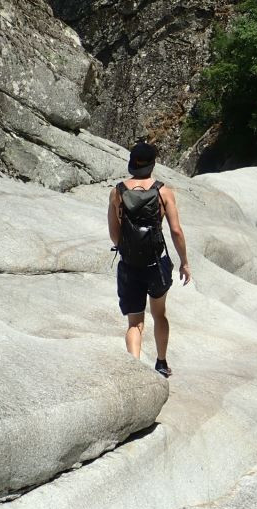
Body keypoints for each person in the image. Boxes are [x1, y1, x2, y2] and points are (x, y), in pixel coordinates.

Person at [108, 141, 191, 377]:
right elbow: (176, 231)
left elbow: (114, 233)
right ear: (152, 165)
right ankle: (161, 362)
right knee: (159, 314)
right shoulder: (163, 191)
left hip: (129, 265)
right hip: (156, 264)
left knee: (135, 323)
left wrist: (126, 249)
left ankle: (134, 370)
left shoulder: (117, 192)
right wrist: (184, 262)